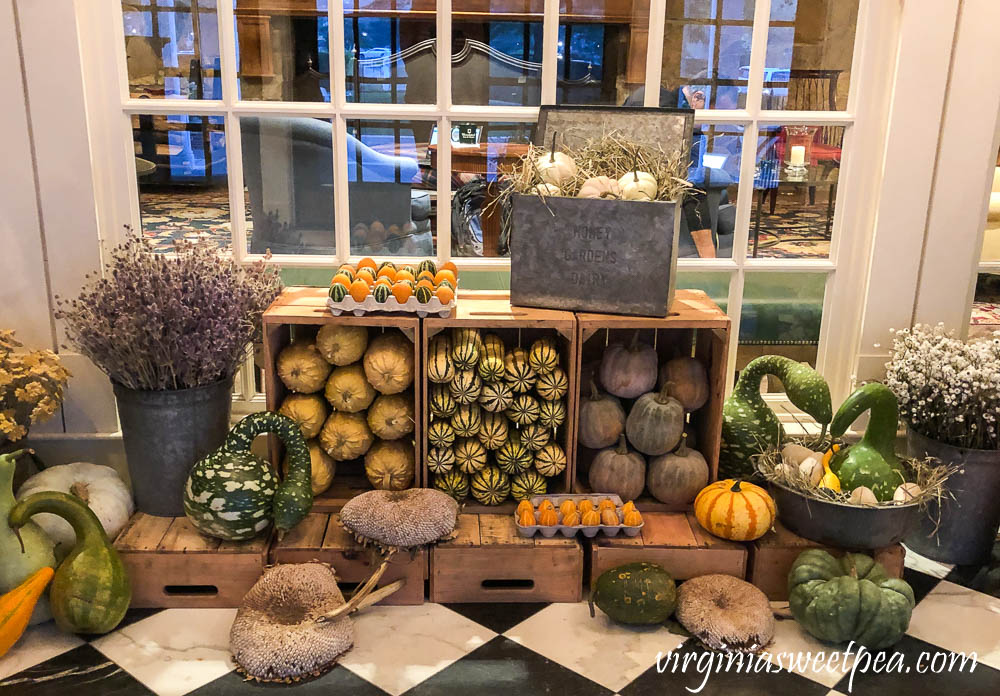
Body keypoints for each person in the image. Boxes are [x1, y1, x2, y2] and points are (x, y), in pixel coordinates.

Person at [623, 84, 717, 258]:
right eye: (710, 109)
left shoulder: (662, 97)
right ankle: (709, 259)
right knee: (694, 187)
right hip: (643, 167)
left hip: (636, 163)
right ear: (697, 97)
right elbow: (691, 173)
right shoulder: (669, 107)